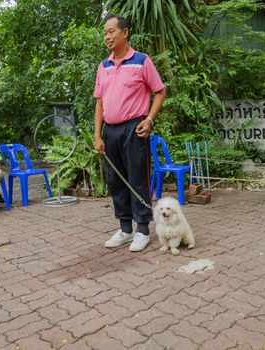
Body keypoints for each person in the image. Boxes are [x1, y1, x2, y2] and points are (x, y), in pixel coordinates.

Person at [94, 14, 166, 252]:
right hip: (111, 130)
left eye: (111, 31)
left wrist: (149, 119)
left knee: (137, 178)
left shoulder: (142, 61)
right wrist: (98, 134)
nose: (107, 36)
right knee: (116, 181)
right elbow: (100, 103)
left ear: (125, 33)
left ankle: (143, 231)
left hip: (134, 129)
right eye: (105, 32)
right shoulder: (103, 66)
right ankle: (125, 229)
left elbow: (160, 91)